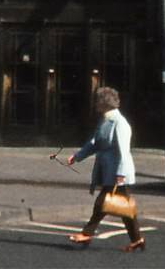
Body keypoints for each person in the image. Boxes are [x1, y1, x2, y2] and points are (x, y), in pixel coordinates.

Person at [67, 86, 144, 252]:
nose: (95, 104)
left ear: (105, 103)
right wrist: (77, 156)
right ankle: (137, 239)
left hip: (117, 172)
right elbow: (94, 143)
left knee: (102, 203)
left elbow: (124, 150)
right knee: (125, 208)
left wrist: (121, 174)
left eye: (97, 100)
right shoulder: (105, 120)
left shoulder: (119, 123)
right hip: (107, 170)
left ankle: (87, 233)